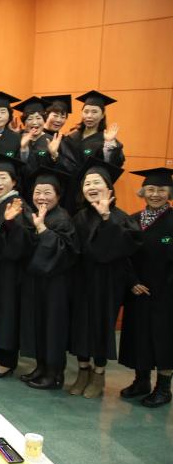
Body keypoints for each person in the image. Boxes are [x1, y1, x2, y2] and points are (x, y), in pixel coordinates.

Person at [68, 159, 141, 398]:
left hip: (108, 284)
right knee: (80, 327)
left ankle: (98, 374)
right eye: (87, 183)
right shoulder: (79, 217)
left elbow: (123, 250)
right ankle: (83, 371)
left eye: (96, 182)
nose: (91, 187)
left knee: (101, 327)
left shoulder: (121, 217)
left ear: (109, 187)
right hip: (82, 283)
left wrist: (107, 218)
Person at [18, 167, 78, 390]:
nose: (41, 197)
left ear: (58, 195)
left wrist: (43, 230)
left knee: (53, 328)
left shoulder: (63, 219)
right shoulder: (34, 215)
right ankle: (41, 366)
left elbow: (66, 251)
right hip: (37, 281)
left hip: (56, 285)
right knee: (39, 325)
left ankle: (54, 374)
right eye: (37, 192)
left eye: (47, 192)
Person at [119, 167, 173, 407]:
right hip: (138, 291)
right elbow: (123, 256)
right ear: (143, 192)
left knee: (164, 339)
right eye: (150, 189)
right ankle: (141, 381)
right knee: (139, 336)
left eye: (161, 190)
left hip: (166, 294)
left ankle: (164, 388)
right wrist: (132, 282)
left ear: (169, 192)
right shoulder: (132, 220)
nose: (155, 194)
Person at [0, 154, 33, 378]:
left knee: (8, 313)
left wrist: (9, 224)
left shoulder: (18, 205)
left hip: (12, 271)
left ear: (14, 181)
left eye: (3, 178)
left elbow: (23, 241)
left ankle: (8, 360)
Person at [64, 91, 125, 173]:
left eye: (94, 112)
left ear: (102, 115)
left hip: (91, 180)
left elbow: (111, 166)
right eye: (86, 111)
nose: (89, 116)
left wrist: (109, 144)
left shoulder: (107, 141)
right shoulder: (71, 137)